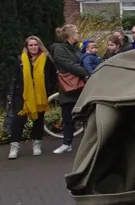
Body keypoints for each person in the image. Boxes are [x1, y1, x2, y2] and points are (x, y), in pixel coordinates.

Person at [6, 36, 55, 159]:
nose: (33, 47)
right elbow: (15, 77)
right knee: (18, 120)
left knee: (38, 120)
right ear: (27, 47)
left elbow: (53, 76)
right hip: (22, 94)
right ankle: (14, 146)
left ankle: (37, 144)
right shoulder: (21, 59)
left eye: (35, 45)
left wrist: (48, 90)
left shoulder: (46, 59)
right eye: (31, 45)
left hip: (40, 96)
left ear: (40, 46)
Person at [52, 24, 88, 154]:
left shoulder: (76, 49)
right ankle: (67, 143)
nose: (78, 34)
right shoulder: (59, 48)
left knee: (86, 116)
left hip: (81, 86)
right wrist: (86, 72)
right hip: (68, 86)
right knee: (68, 117)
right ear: (69, 35)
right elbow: (68, 65)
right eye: (76, 32)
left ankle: (88, 144)